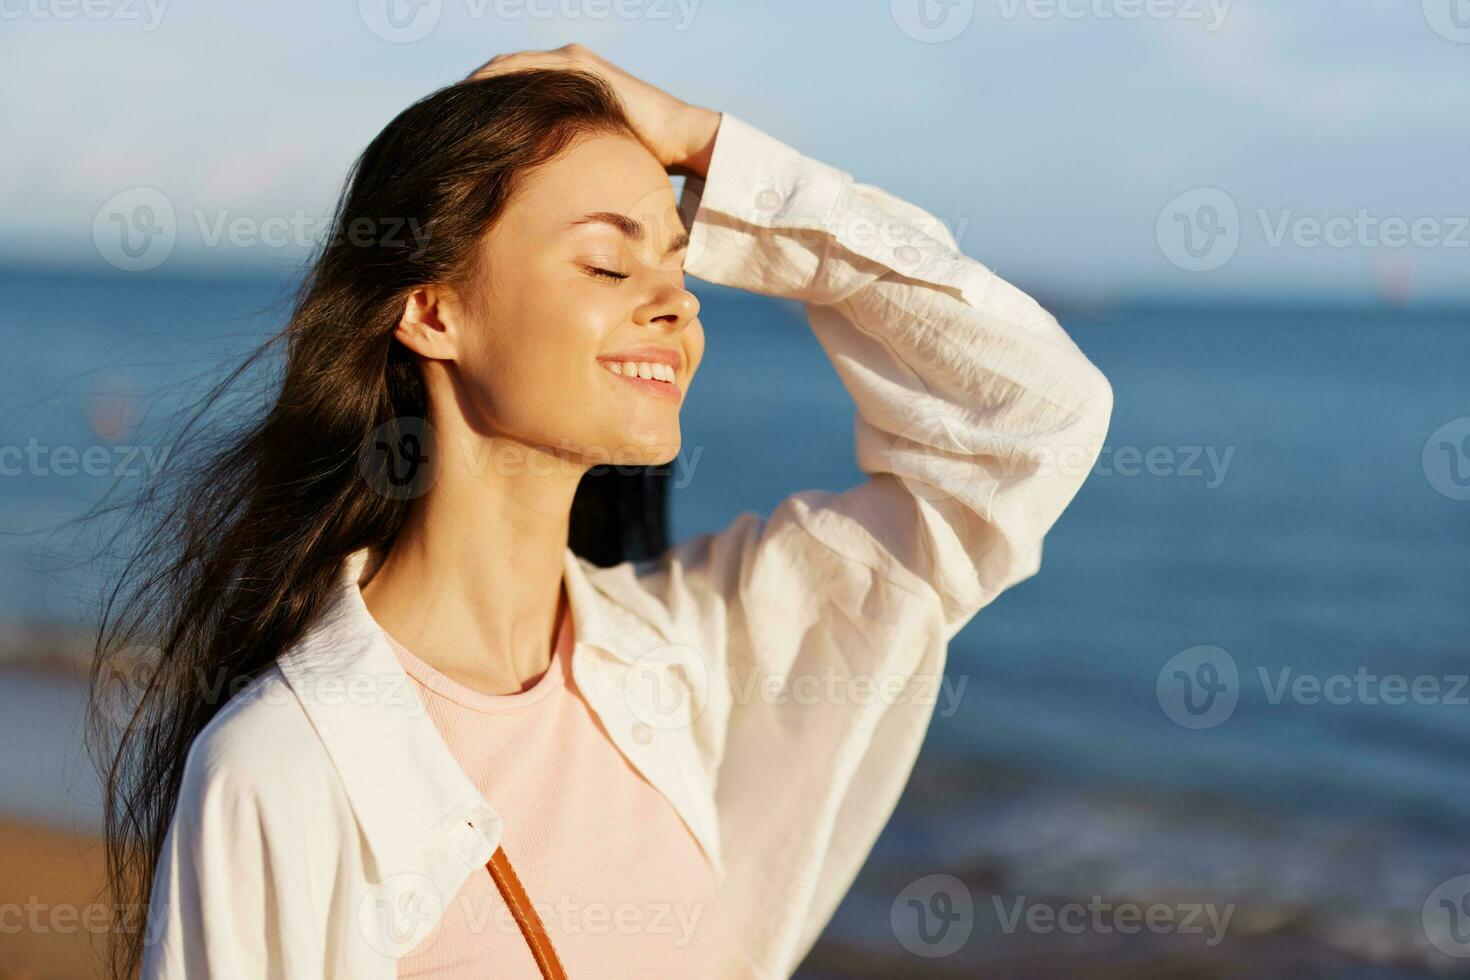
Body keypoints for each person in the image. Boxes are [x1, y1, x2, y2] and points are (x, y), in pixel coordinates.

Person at [106, 45, 1112, 979]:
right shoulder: (283, 769)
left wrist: (704, 144)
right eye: (606, 262)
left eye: (679, 262)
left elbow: (1031, 419)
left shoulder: (691, 656)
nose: (676, 303)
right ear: (433, 309)